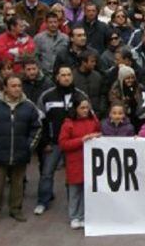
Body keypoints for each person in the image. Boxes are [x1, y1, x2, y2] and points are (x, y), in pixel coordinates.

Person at [0, 75, 41, 226]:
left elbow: (36, 128)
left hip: (20, 153)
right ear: (5, 88)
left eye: (19, 85)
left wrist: (28, 147)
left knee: (18, 184)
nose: (17, 89)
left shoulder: (29, 106)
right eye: (13, 86)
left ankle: (16, 209)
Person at [34, 66, 88, 215]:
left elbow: (88, 118)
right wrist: (45, 142)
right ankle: (43, 201)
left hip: (75, 143)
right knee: (47, 173)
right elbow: (40, 121)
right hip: (54, 143)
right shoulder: (47, 96)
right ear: (57, 77)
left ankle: (75, 203)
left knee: (74, 174)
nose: (66, 78)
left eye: (69, 75)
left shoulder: (81, 96)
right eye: (63, 75)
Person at [58, 98, 101, 229]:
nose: (85, 110)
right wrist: (82, 140)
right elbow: (63, 144)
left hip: (89, 162)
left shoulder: (93, 121)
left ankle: (82, 216)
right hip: (75, 161)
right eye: (82, 108)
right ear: (75, 108)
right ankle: (74, 216)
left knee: (85, 191)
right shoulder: (68, 124)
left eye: (87, 108)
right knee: (75, 191)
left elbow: (100, 133)